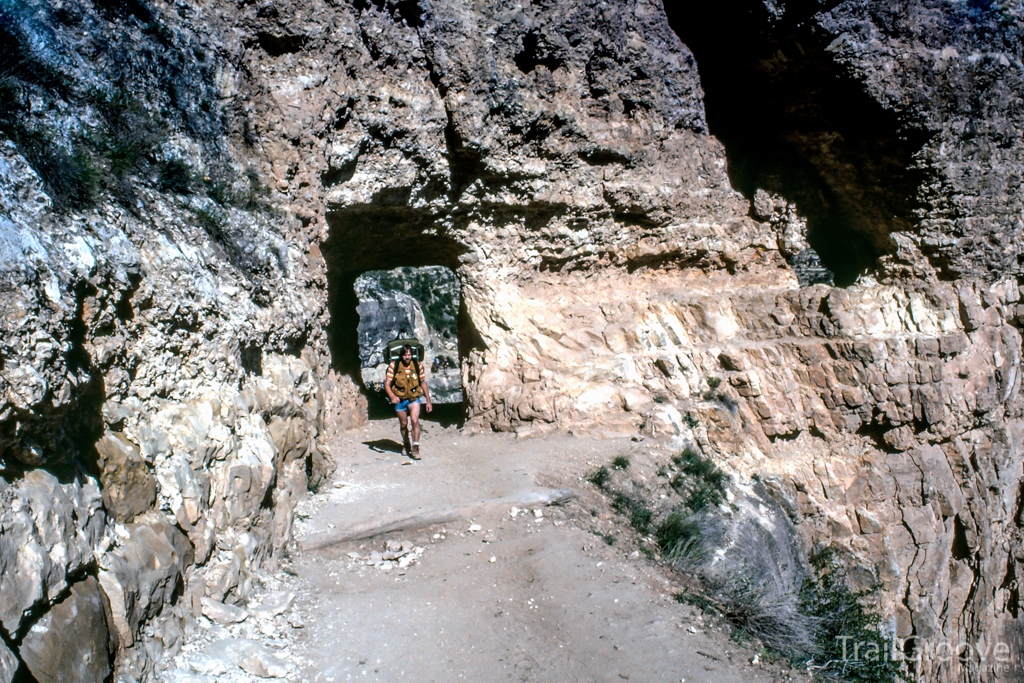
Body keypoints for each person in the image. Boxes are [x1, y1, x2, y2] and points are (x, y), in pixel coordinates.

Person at [384, 344, 432, 459]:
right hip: (400, 400)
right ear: (401, 356)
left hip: (414, 398)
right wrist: (392, 396)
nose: (407, 357)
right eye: (405, 355)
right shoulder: (394, 366)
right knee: (403, 424)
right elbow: (387, 384)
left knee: (415, 420)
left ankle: (415, 448)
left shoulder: (417, 365)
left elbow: (423, 383)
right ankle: (406, 443)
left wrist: (428, 401)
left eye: (409, 354)